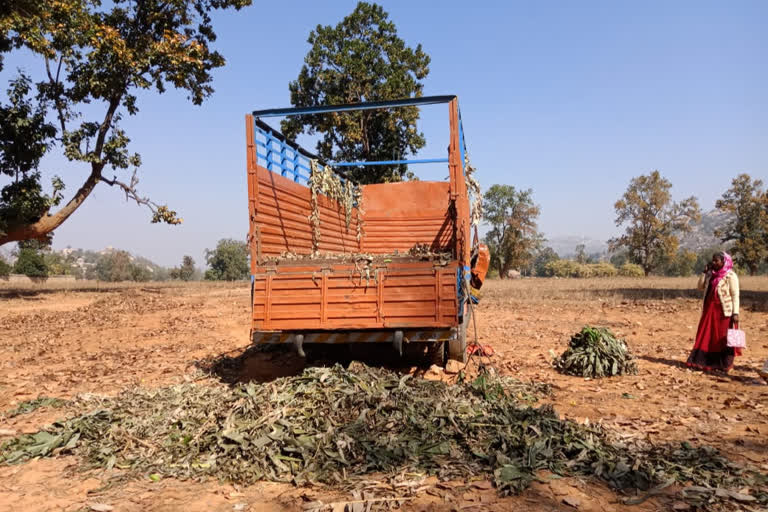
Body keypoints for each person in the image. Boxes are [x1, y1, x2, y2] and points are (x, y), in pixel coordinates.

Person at [686, 252, 741, 373]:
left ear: (724, 262)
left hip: (723, 312)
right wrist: (704, 273)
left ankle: (724, 364)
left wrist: (735, 312)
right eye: (713, 261)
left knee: (722, 337)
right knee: (706, 334)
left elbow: (735, 295)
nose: (714, 263)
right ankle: (702, 361)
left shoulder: (730, 276)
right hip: (709, 310)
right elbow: (700, 287)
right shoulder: (711, 275)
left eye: (717, 261)